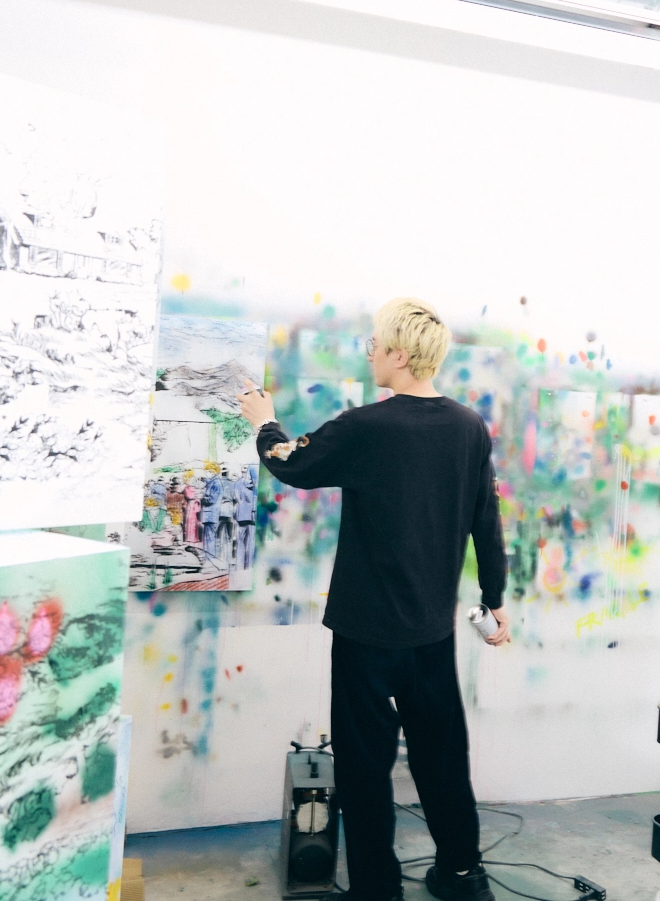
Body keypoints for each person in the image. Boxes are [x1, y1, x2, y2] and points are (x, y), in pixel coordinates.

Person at [240, 297, 508, 901]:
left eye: (374, 345)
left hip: (365, 634)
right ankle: (463, 875)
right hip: (433, 630)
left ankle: (377, 889)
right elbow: (485, 521)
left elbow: (292, 464)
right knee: (442, 759)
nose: (369, 355)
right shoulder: (469, 428)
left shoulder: (367, 427)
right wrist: (495, 599)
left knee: (365, 770)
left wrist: (266, 421)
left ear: (400, 354)